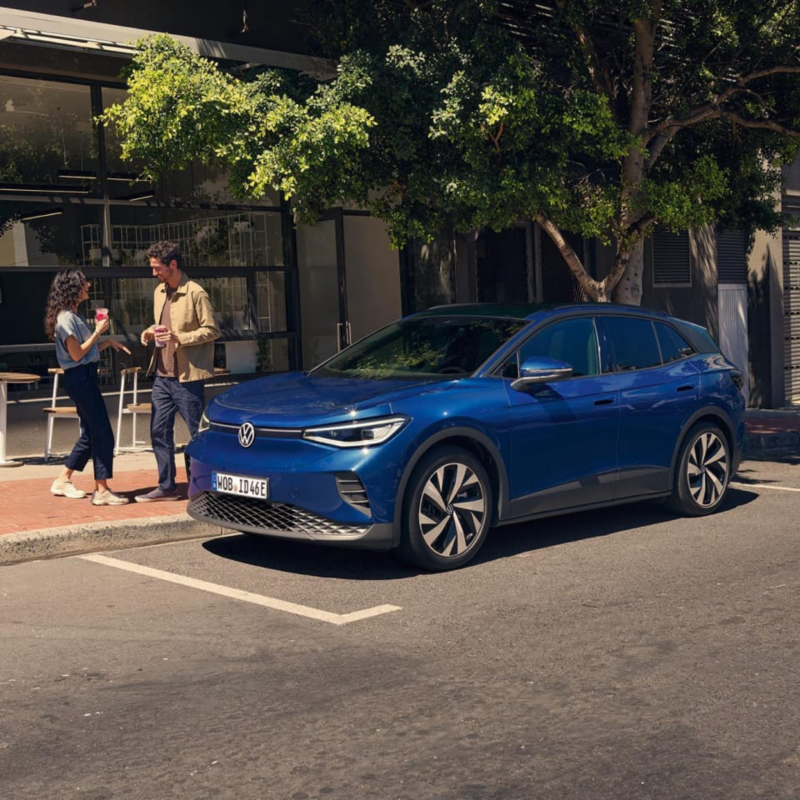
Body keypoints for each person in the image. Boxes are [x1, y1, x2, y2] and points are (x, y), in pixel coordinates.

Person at [136, 241, 220, 502]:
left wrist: (180, 337)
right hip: (161, 375)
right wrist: (149, 332)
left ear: (173, 264)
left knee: (197, 434)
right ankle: (166, 486)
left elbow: (212, 330)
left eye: (157, 267)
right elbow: (162, 326)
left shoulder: (196, 293)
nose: (154, 273)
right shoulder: (159, 292)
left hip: (187, 377)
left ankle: (202, 487)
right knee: (159, 432)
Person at [44, 269, 131, 505]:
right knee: (102, 432)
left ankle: (63, 479)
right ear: (72, 288)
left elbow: (86, 351)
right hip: (80, 378)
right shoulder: (65, 319)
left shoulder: (74, 315)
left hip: (84, 377)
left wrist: (107, 342)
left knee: (92, 434)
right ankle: (101, 490)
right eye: (84, 283)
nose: (89, 286)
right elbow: (76, 354)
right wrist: (98, 332)